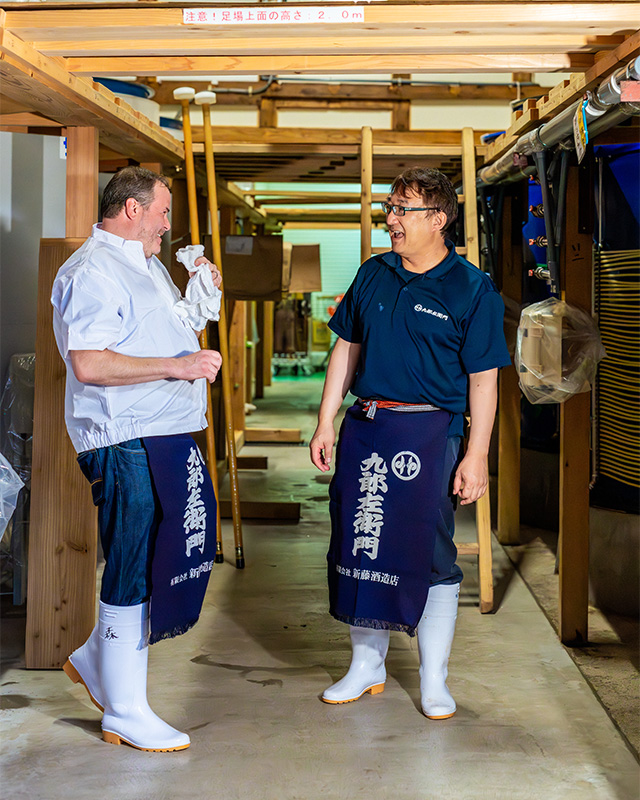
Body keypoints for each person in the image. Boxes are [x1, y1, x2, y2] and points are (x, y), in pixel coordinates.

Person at [310, 167, 510, 719]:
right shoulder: (373, 273)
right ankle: (366, 666)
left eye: (403, 210)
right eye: (390, 208)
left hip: (430, 432)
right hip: (368, 426)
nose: (392, 220)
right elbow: (346, 350)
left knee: (431, 551)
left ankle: (434, 678)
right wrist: (327, 420)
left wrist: (476, 455)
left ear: (438, 220)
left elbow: (484, 379)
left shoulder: (472, 288)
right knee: (359, 543)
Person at [51, 167, 223, 752]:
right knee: (132, 558)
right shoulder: (91, 271)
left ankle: (99, 659)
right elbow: (90, 364)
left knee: (154, 552)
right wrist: (180, 366)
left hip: (164, 433)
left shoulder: (145, 267)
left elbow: (165, 334)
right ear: (131, 209)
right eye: (163, 214)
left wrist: (198, 299)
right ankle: (123, 710)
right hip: (123, 436)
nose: (168, 226)